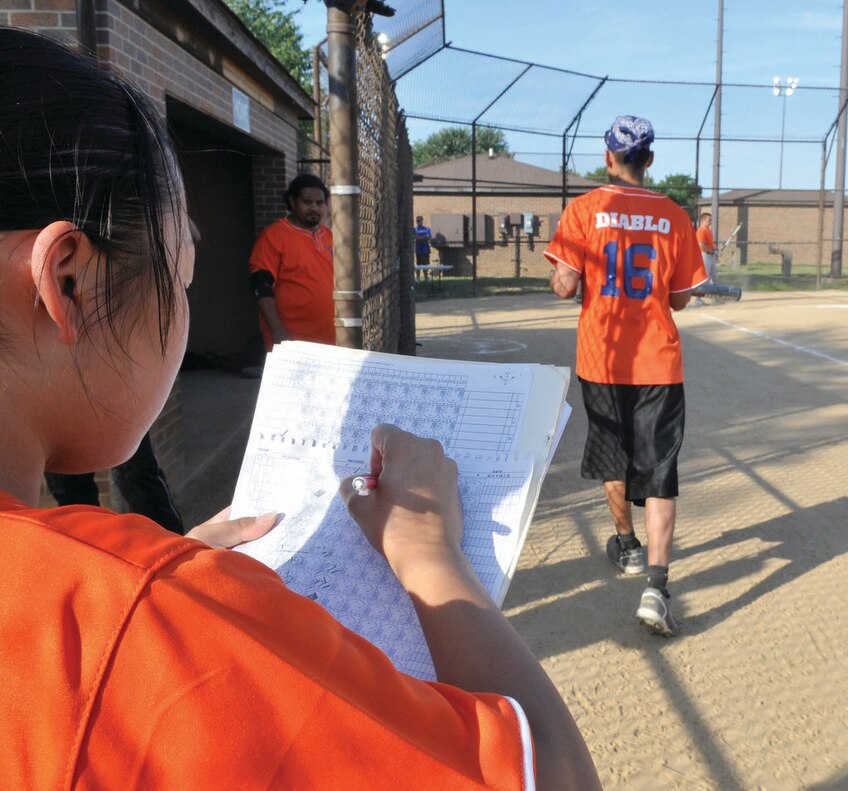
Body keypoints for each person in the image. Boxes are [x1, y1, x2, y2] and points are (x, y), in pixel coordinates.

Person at [0, 28, 599, 789]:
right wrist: (426, 551)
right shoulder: (128, 623)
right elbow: (558, 777)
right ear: (68, 282)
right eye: (181, 275)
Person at [544, 115, 707, 637]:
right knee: (660, 470)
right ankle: (657, 588)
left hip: (602, 358)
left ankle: (628, 546)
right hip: (658, 360)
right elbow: (680, 298)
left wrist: (563, 270)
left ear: (607, 157)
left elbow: (564, 287)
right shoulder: (676, 216)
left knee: (613, 454)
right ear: (650, 160)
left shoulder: (585, 209)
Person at [248, 173, 335, 351]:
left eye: (319, 203)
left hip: (329, 341)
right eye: (307, 202)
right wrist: (277, 329)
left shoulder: (329, 236)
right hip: (291, 340)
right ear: (292, 201)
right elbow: (261, 285)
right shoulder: (273, 236)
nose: (314, 208)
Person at [45, 433, 184, 534]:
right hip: (53, 401)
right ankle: (93, 558)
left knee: (137, 476)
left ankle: (175, 552)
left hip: (114, 398)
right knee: (70, 489)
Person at [696, 212, 717, 284]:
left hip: (711, 255)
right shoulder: (701, 230)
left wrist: (714, 249)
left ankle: (711, 291)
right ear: (703, 220)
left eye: (711, 220)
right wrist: (712, 250)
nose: (711, 222)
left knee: (715, 277)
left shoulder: (708, 230)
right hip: (704, 255)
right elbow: (701, 245)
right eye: (709, 220)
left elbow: (710, 244)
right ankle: (699, 294)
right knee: (705, 276)